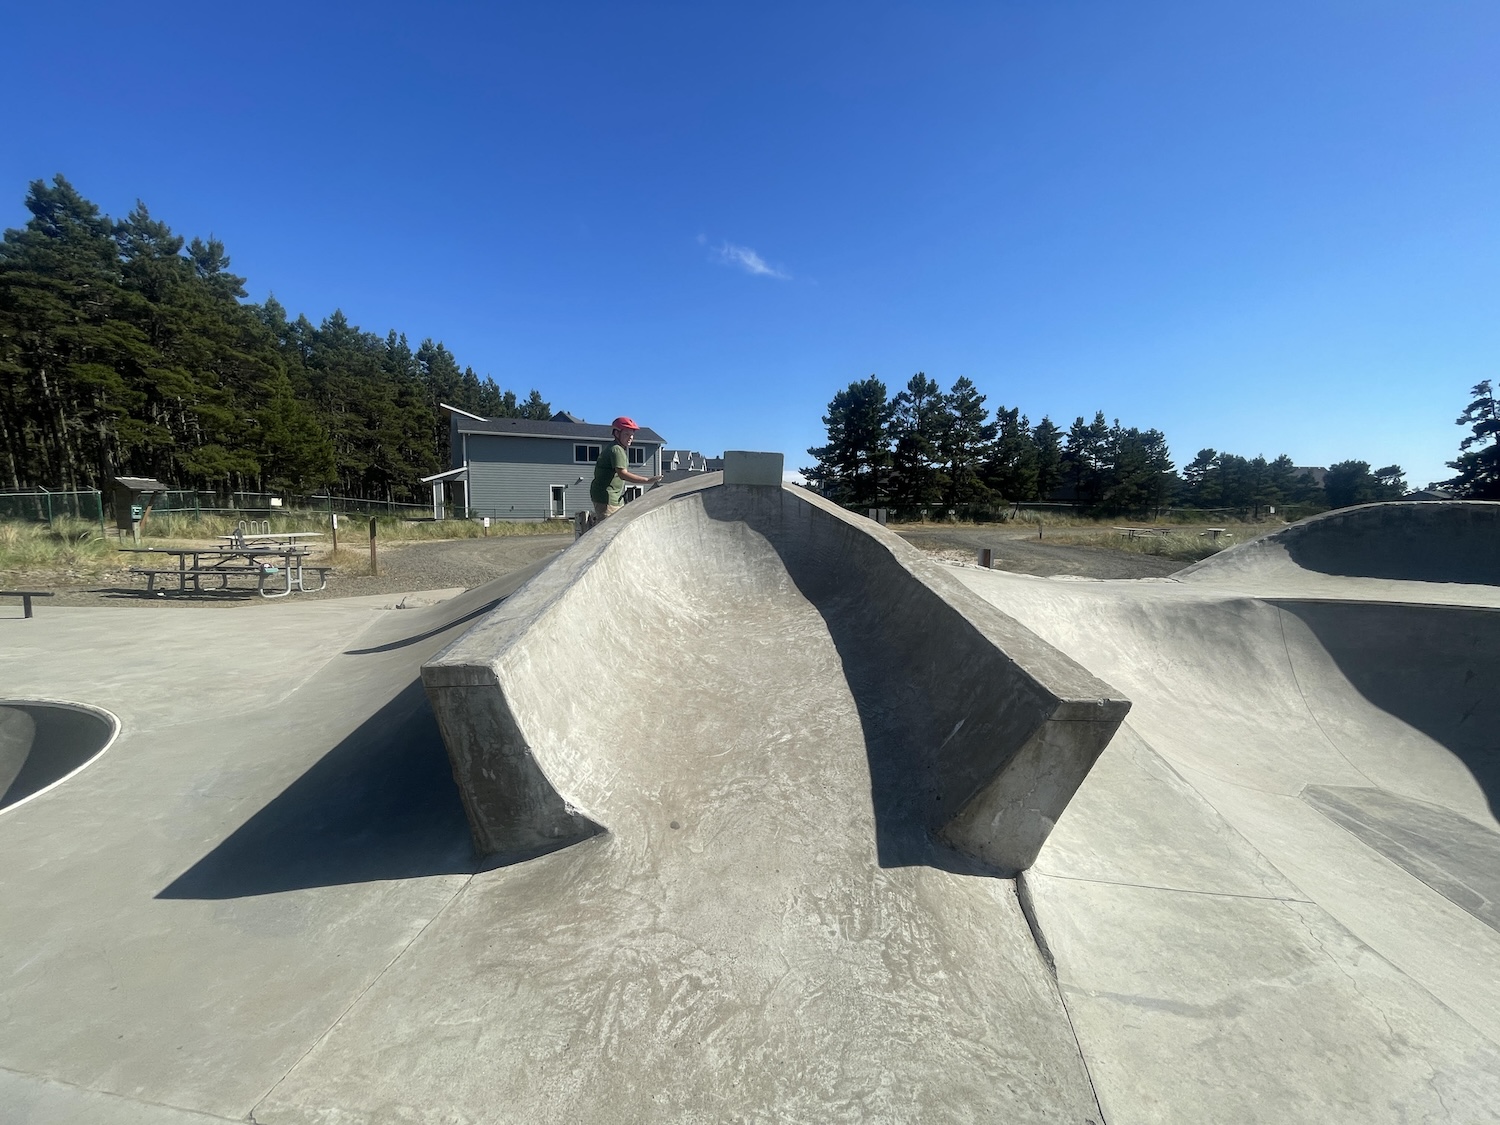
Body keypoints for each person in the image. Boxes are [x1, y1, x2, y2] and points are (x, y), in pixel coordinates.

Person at [590, 416, 663, 520]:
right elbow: (622, 474)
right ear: (616, 433)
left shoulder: (613, 447)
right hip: (607, 497)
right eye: (626, 434)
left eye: (632, 435)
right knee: (611, 529)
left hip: (608, 496)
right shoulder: (617, 450)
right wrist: (647, 480)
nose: (630, 437)